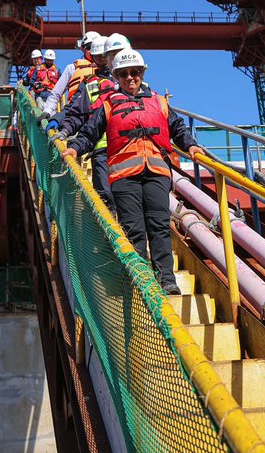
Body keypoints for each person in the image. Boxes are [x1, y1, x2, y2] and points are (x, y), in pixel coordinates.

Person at [61, 49, 206, 295]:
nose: (130, 78)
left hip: (157, 171)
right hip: (124, 175)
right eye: (124, 74)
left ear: (142, 74)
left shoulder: (159, 101)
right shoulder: (108, 105)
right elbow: (89, 132)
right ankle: (139, 279)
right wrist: (74, 149)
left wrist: (191, 145)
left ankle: (166, 280)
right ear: (116, 76)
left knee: (159, 225)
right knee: (133, 227)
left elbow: (177, 127)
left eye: (135, 72)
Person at [50, 33, 131, 208]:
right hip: (101, 148)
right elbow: (75, 111)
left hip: (128, 148)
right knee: (105, 195)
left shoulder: (132, 82)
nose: (105, 60)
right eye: (101, 56)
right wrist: (63, 127)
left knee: (127, 196)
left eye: (108, 56)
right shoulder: (90, 84)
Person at [43, 30, 102, 116]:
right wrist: (47, 111)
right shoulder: (72, 68)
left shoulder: (109, 70)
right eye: (90, 47)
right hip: (76, 115)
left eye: (96, 47)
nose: (93, 51)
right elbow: (56, 93)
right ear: (83, 48)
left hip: (100, 116)